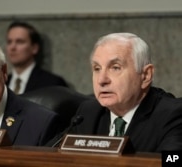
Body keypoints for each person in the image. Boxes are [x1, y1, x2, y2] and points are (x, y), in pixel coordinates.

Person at [50, 33, 182, 152]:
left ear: (146, 75)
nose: (102, 80)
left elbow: (172, 161)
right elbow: (48, 155)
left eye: (115, 68)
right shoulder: (88, 113)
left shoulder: (173, 115)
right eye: (97, 69)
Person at [6, 21, 68, 94]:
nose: (12, 47)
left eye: (20, 42)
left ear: (34, 48)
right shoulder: (2, 83)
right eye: (9, 42)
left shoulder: (52, 84)